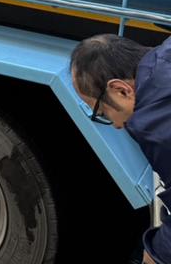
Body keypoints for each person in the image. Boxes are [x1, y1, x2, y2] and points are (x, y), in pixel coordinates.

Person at [71, 34, 171, 264]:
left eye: (102, 112)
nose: (116, 125)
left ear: (121, 90)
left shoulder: (156, 124)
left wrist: (155, 255)